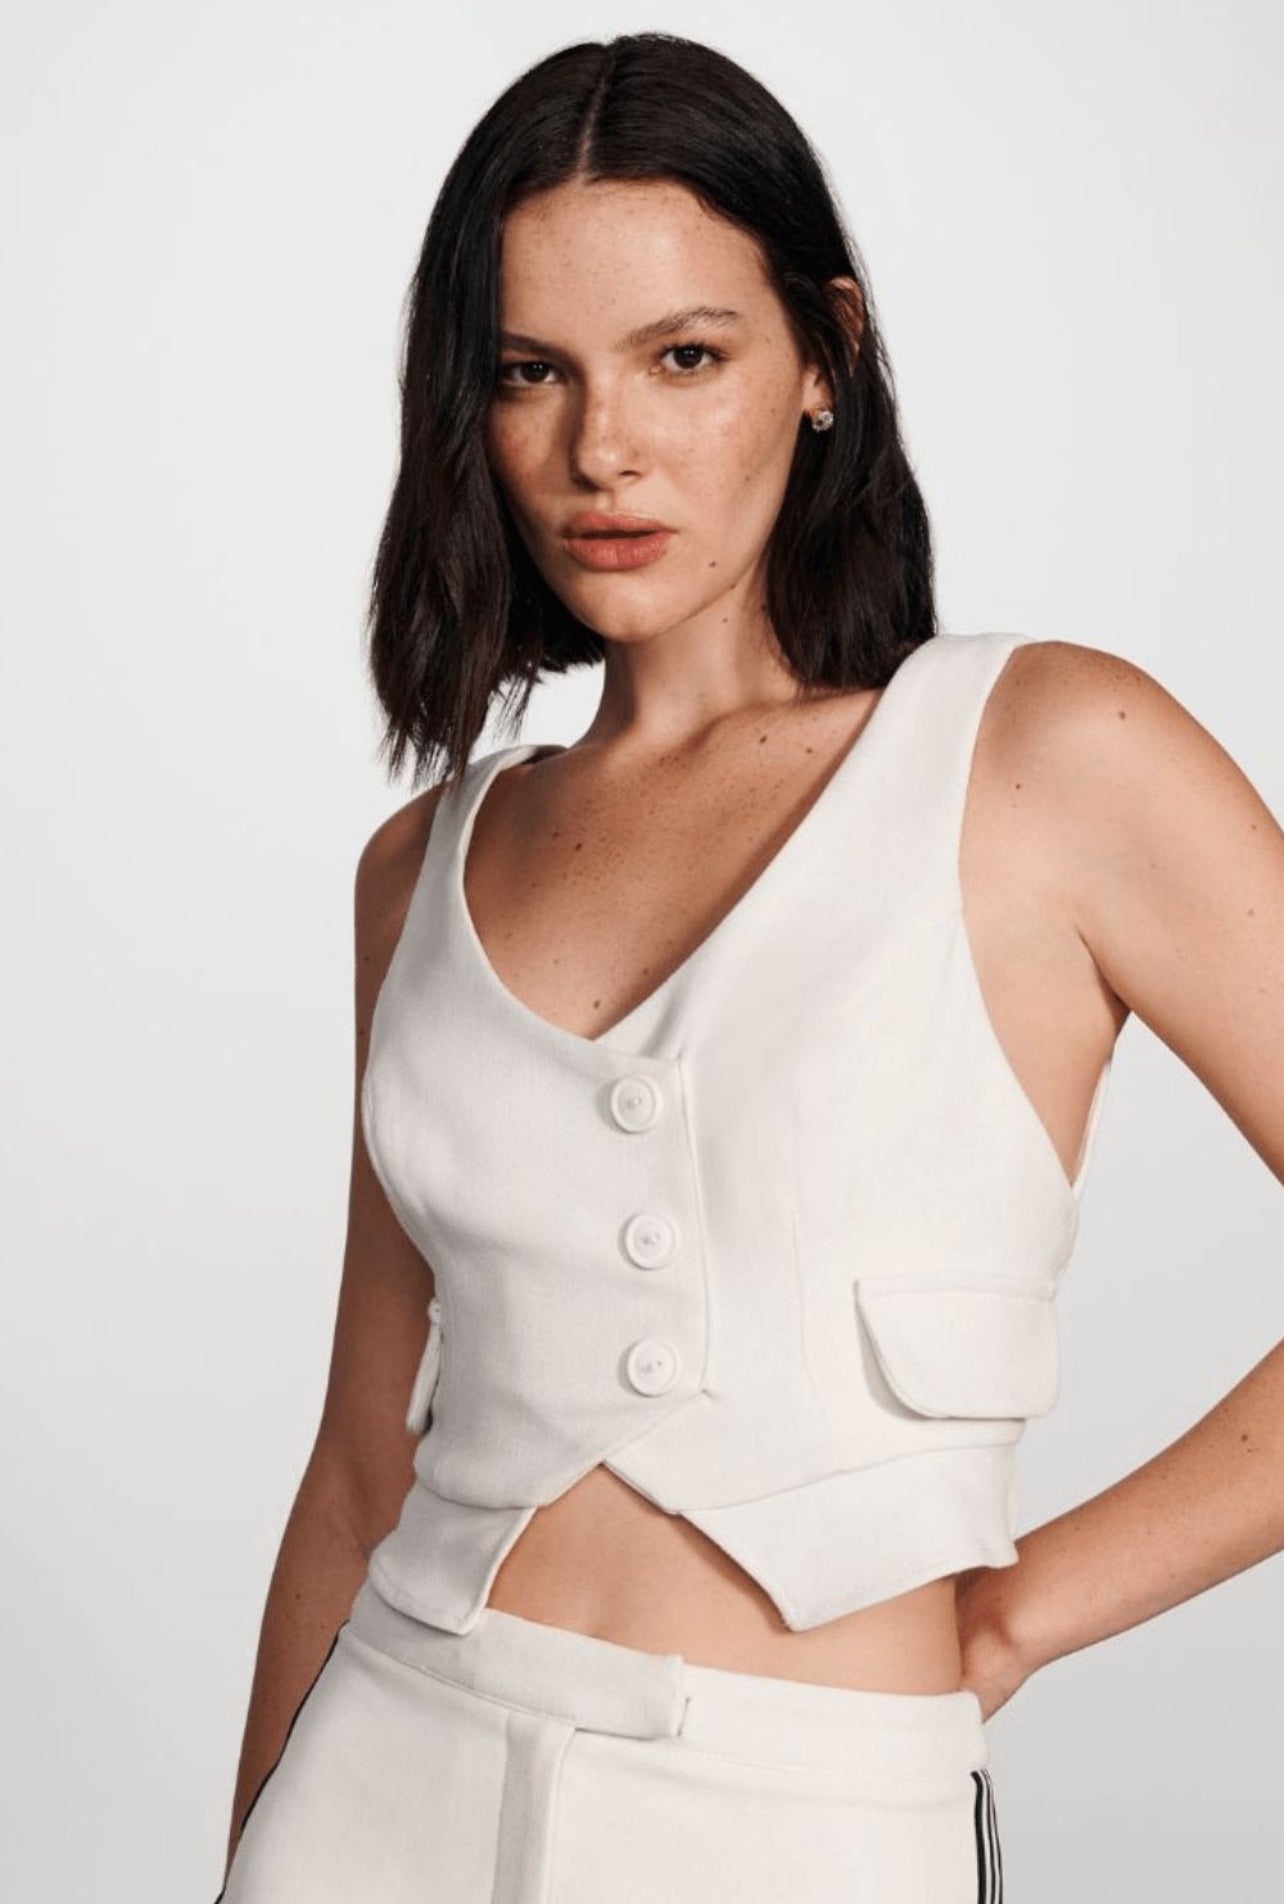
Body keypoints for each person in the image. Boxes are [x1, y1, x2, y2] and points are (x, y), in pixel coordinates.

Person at [215, 30, 1284, 1904]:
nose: (601, 450)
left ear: (824, 356)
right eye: (530, 372)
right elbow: (360, 1468)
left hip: (809, 1817)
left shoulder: (1048, 756)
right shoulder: (423, 867)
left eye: (684, 357)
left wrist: (1024, 1609)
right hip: (379, 1778)